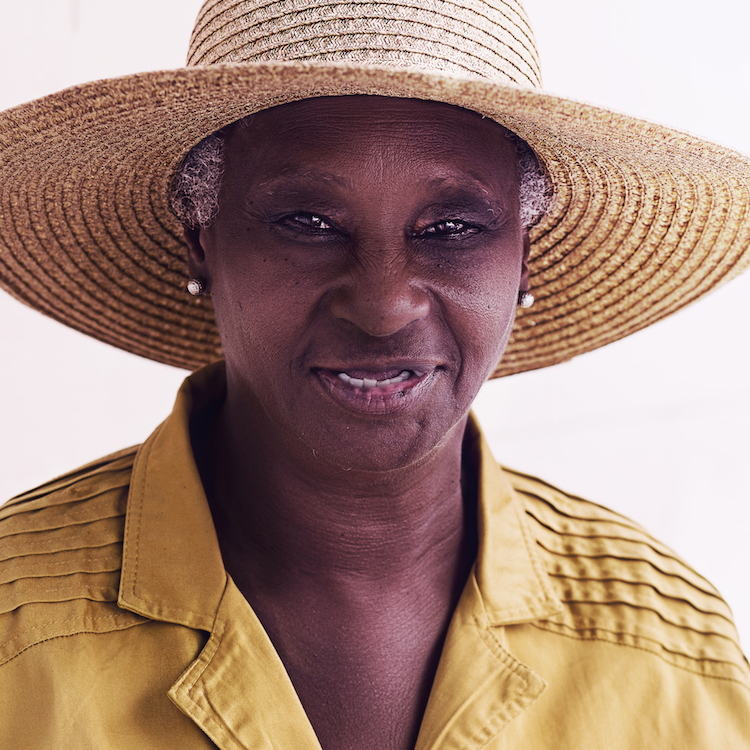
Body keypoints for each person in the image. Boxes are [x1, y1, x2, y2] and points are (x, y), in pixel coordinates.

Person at [0, 0, 748, 748]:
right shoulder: (19, 641)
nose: (384, 305)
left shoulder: (671, 660)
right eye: (309, 222)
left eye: (452, 228)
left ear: (525, 256)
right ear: (202, 239)